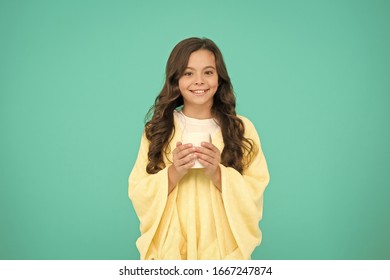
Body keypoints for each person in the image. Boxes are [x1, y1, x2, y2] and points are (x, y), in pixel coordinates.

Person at [128, 37, 270, 260]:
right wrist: (174, 172)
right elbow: (138, 190)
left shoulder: (240, 129)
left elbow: (255, 189)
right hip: (171, 247)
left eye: (208, 72)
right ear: (175, 79)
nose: (199, 81)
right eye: (188, 73)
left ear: (219, 77)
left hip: (222, 248)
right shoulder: (157, 130)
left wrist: (218, 174)